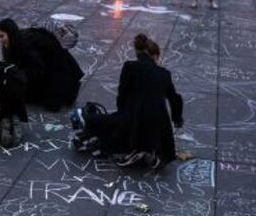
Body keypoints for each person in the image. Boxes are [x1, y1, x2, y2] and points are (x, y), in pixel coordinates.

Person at [71, 34, 184, 169]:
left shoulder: (130, 67)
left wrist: (122, 114)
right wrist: (177, 119)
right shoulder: (164, 73)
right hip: (158, 125)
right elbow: (175, 99)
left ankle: (88, 123)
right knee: (136, 122)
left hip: (134, 118)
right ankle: (148, 151)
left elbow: (122, 94)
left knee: (114, 123)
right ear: (155, 56)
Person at [0, 18, 84, 112]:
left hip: (56, 66)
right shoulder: (12, 42)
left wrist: (17, 77)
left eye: (2, 36)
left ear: (10, 33)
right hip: (44, 64)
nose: (0, 40)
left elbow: (35, 68)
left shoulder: (24, 44)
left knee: (53, 104)